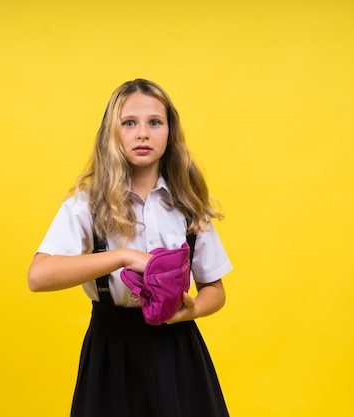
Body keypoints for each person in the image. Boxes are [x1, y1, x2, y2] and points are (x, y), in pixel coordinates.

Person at [28, 79, 232, 417]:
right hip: (111, 350)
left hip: (178, 350)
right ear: (113, 133)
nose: (142, 133)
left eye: (154, 122)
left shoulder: (188, 206)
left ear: (170, 132)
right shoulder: (86, 206)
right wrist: (122, 257)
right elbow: (38, 276)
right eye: (129, 123)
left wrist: (191, 310)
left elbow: (215, 289)